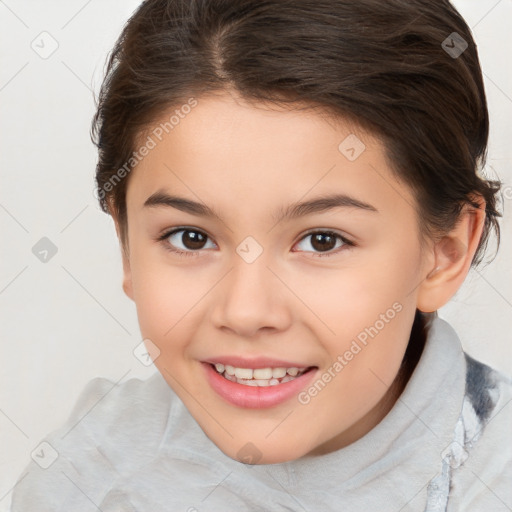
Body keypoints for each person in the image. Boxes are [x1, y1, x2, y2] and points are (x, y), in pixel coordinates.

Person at [10, 0, 512, 510]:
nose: (246, 312)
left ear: (445, 252)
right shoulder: (85, 477)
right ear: (126, 246)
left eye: (323, 240)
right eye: (190, 237)